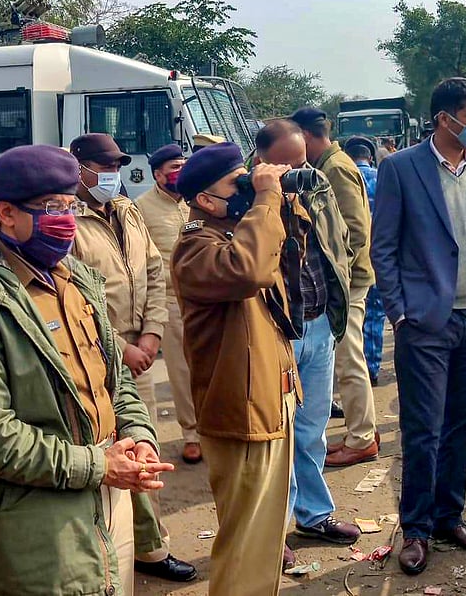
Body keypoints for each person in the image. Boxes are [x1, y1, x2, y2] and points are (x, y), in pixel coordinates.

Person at [0, 145, 172, 596]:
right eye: (48, 209)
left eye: (68, 206)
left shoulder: (76, 277)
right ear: (5, 213)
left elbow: (115, 380)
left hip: (104, 497)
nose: (64, 219)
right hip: (33, 520)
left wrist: (138, 437)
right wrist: (97, 465)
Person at [371, 77, 466, 575]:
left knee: (463, 423)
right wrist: (401, 313)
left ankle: (451, 517)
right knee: (422, 429)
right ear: (444, 120)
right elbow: (383, 246)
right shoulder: (401, 168)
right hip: (427, 321)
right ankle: (416, 529)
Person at [172, 142, 300, 596]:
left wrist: (281, 198)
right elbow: (249, 273)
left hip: (267, 398)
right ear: (205, 200)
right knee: (245, 541)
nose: (248, 188)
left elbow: (285, 264)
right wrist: (264, 199)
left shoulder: (236, 233)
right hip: (240, 411)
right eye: (237, 183)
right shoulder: (195, 249)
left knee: (265, 538)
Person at [69, 133, 197, 583]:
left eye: (116, 165)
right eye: (103, 166)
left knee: (144, 447)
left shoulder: (126, 210)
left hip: (138, 351)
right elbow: (73, 295)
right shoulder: (69, 219)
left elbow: (154, 272)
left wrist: (152, 333)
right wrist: (120, 344)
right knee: (101, 453)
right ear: (79, 167)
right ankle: (105, 552)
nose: (111, 174)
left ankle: (149, 545)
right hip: (91, 353)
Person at [255, 121, 361, 555]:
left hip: (319, 324)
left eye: (303, 162)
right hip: (277, 332)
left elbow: (340, 239)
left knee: (313, 429)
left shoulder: (315, 185)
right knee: (275, 436)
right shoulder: (246, 197)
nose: (299, 172)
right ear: (262, 159)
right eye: (287, 165)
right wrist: (267, 196)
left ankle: (315, 516)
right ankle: (271, 533)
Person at [290, 107, 379, 468]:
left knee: (348, 359)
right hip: (344, 280)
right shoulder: (330, 164)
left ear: (307, 137)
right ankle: (359, 434)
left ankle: (362, 437)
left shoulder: (335, 168)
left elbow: (355, 231)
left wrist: (337, 274)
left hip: (348, 282)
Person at [134, 144, 202, 464]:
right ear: (158, 174)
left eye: (183, 166)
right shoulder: (141, 208)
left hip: (206, 297)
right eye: (174, 168)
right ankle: (192, 434)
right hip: (171, 300)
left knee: (212, 367)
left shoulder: (199, 200)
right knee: (181, 370)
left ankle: (216, 428)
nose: (180, 173)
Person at [347, 143, 386, 386]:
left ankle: (354, 369)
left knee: (352, 318)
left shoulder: (342, 179)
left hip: (354, 260)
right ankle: (371, 368)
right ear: (370, 157)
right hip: (380, 258)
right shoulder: (383, 179)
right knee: (375, 315)